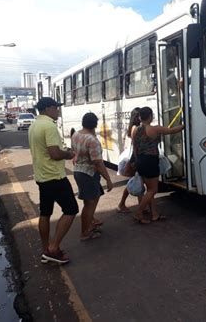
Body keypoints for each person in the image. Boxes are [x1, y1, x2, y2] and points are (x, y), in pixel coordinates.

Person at [28, 97, 78, 264]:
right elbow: (55, 154)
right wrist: (69, 154)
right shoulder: (49, 125)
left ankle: (46, 249)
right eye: (56, 108)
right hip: (54, 177)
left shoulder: (34, 125)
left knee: (45, 213)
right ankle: (54, 248)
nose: (58, 110)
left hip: (41, 176)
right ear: (48, 108)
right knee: (71, 209)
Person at [132, 106, 184, 224]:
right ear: (150, 116)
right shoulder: (155, 129)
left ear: (140, 117)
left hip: (140, 160)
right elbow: (172, 130)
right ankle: (138, 212)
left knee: (149, 190)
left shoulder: (135, 129)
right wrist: (185, 125)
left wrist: (137, 161)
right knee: (153, 190)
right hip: (150, 161)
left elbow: (134, 147)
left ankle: (154, 214)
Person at [72, 112, 113, 241]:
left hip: (78, 171)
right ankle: (85, 233)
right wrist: (108, 179)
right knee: (90, 204)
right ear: (95, 124)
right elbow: (98, 163)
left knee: (88, 202)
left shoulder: (76, 134)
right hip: (88, 174)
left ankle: (89, 224)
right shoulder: (92, 140)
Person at [117, 107, 142, 213]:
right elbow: (136, 147)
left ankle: (141, 206)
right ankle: (122, 204)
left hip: (133, 157)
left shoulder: (133, 127)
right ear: (137, 117)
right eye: (140, 116)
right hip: (134, 158)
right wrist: (135, 161)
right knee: (135, 182)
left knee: (137, 181)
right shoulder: (136, 128)